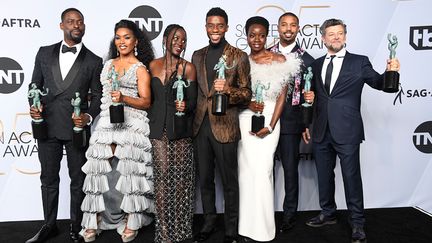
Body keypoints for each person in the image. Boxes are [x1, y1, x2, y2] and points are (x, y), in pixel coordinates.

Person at [302, 19, 400, 243]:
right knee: (324, 176)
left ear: (345, 37)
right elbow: (312, 97)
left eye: (339, 34)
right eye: (331, 34)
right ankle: (327, 213)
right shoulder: (315, 65)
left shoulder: (359, 62)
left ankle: (357, 222)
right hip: (321, 130)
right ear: (323, 38)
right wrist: (307, 122)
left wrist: (391, 71)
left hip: (347, 130)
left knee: (351, 177)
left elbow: (379, 83)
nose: (336, 37)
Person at [25, 8, 103, 243]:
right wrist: (34, 105)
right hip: (46, 127)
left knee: (78, 180)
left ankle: (76, 226)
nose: (76, 25)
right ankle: (48, 225)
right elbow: (33, 86)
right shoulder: (44, 53)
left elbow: (99, 97)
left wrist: (88, 117)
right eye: (71, 21)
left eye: (80, 22)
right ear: (62, 26)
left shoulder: (94, 60)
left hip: (76, 129)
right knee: (48, 178)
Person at [80, 19, 154, 243]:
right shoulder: (108, 64)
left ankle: (131, 220)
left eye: (127, 37)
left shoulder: (140, 69)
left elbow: (146, 101)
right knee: (100, 171)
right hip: (106, 121)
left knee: (129, 172)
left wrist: (124, 98)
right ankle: (97, 220)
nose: (122, 41)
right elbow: (103, 95)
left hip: (132, 121)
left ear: (136, 41)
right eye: (118, 37)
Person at [237, 16, 301, 242]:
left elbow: (282, 97)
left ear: (267, 36)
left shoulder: (279, 59)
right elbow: (236, 95)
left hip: (270, 120)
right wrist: (246, 104)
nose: (256, 39)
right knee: (246, 175)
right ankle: (246, 229)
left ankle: (263, 230)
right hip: (245, 120)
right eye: (252, 35)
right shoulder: (241, 60)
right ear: (246, 36)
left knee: (263, 173)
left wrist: (271, 126)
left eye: (261, 35)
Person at [192, 7, 252, 243]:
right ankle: (208, 223)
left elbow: (246, 93)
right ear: (206, 27)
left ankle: (231, 229)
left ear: (226, 27)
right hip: (200, 126)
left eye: (219, 25)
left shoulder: (238, 55)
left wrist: (228, 91)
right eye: (210, 25)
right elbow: (196, 91)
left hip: (225, 126)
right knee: (205, 179)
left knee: (229, 181)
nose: (214, 29)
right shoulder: (197, 55)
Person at [148, 24, 197, 243]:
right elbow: (150, 100)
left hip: (181, 130)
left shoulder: (188, 68)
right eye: (176, 38)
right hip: (158, 129)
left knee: (180, 181)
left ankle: (180, 228)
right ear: (166, 39)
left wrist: (184, 105)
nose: (180, 43)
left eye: (184, 40)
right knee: (162, 178)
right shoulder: (152, 65)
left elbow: (194, 102)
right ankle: (165, 229)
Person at [267, 12, 315, 232]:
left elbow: (309, 96)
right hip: (265, 120)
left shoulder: (307, 59)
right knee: (264, 170)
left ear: (298, 28)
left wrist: (306, 123)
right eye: (284, 25)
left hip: (291, 122)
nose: (288, 28)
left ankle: (289, 215)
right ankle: (264, 214)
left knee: (289, 171)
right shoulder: (265, 55)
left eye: (292, 25)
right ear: (278, 28)